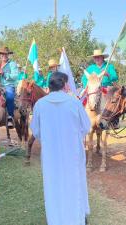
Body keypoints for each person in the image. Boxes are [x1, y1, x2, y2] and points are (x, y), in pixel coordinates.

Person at [30, 72, 91, 225]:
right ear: (64, 85)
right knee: (74, 185)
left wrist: (51, 139)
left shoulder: (40, 105)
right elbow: (86, 127)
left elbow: (36, 131)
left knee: (53, 187)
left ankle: (56, 220)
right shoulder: (74, 103)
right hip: (72, 154)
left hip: (51, 156)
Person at [0, 46, 19, 127]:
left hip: (8, 85)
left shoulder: (12, 64)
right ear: (0, 55)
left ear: (8, 55)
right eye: (2, 54)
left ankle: (10, 117)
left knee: (9, 96)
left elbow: (15, 76)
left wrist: (4, 74)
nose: (4, 56)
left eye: (6, 54)